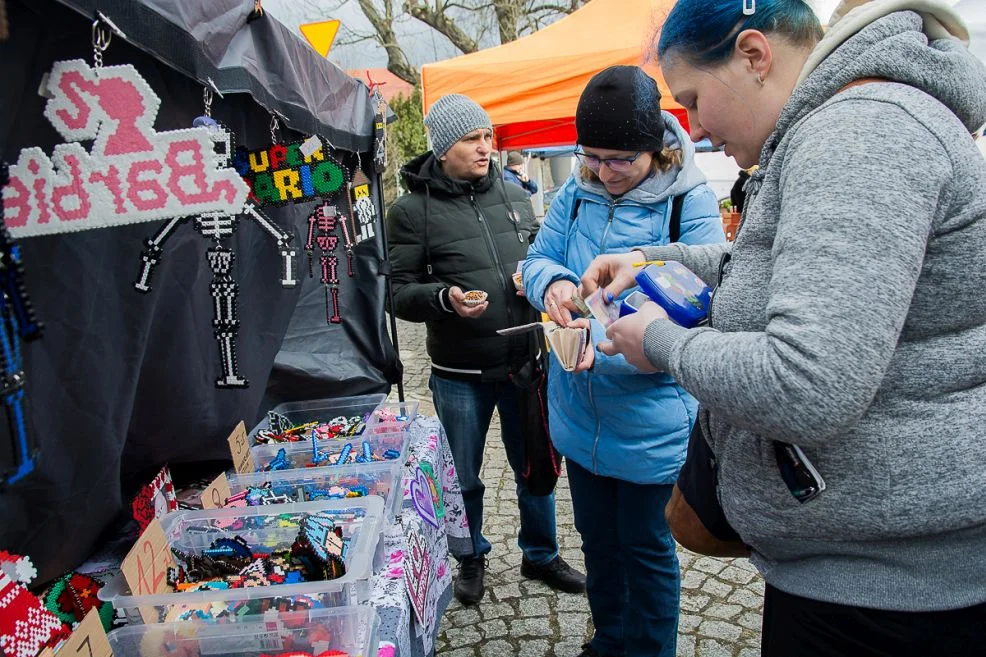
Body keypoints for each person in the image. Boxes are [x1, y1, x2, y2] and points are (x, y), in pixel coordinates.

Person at [581, 0, 986, 654]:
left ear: (752, 56)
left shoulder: (859, 133)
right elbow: (771, 263)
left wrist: (658, 340)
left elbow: (808, 383)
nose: (695, 130)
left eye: (691, 98)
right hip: (866, 572)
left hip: (882, 598)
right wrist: (651, 261)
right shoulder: (838, 128)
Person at [522, 66, 725, 657]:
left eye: (620, 161)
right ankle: (609, 640)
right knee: (597, 543)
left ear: (656, 150)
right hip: (579, 417)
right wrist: (555, 285)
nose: (604, 174)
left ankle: (649, 649)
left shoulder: (689, 202)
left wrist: (607, 343)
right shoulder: (574, 193)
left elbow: (701, 307)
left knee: (645, 548)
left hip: (650, 423)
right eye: (591, 158)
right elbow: (538, 258)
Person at [386, 93, 585, 605]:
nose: (486, 148)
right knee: (462, 475)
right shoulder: (409, 212)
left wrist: (535, 279)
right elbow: (396, 292)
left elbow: (543, 251)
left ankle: (540, 554)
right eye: (473, 139)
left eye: (488, 137)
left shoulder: (514, 193)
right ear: (444, 147)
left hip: (525, 362)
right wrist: (445, 299)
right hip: (459, 372)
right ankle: (469, 555)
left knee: (536, 466)